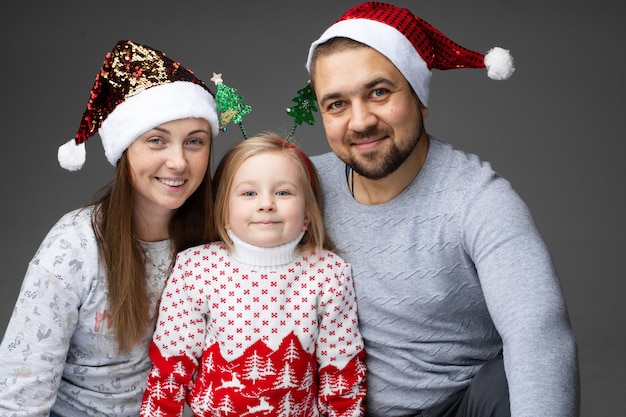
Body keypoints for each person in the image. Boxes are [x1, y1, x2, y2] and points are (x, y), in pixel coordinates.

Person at [304, 2, 580, 416]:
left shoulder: (480, 201)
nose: (360, 121)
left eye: (379, 92)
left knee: (508, 379)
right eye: (337, 104)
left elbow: (538, 334)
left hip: (458, 406)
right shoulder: (299, 188)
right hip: (340, 408)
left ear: (419, 98)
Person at [0, 39, 221, 416]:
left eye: (194, 142)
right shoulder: (75, 246)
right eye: (156, 140)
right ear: (124, 150)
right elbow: (20, 397)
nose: (179, 162)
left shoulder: (216, 240)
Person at [140, 134, 366, 417]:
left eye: (283, 193)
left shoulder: (328, 273)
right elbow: (170, 368)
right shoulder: (197, 268)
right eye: (249, 193)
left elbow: (341, 368)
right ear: (224, 211)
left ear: (307, 213)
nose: (266, 204)